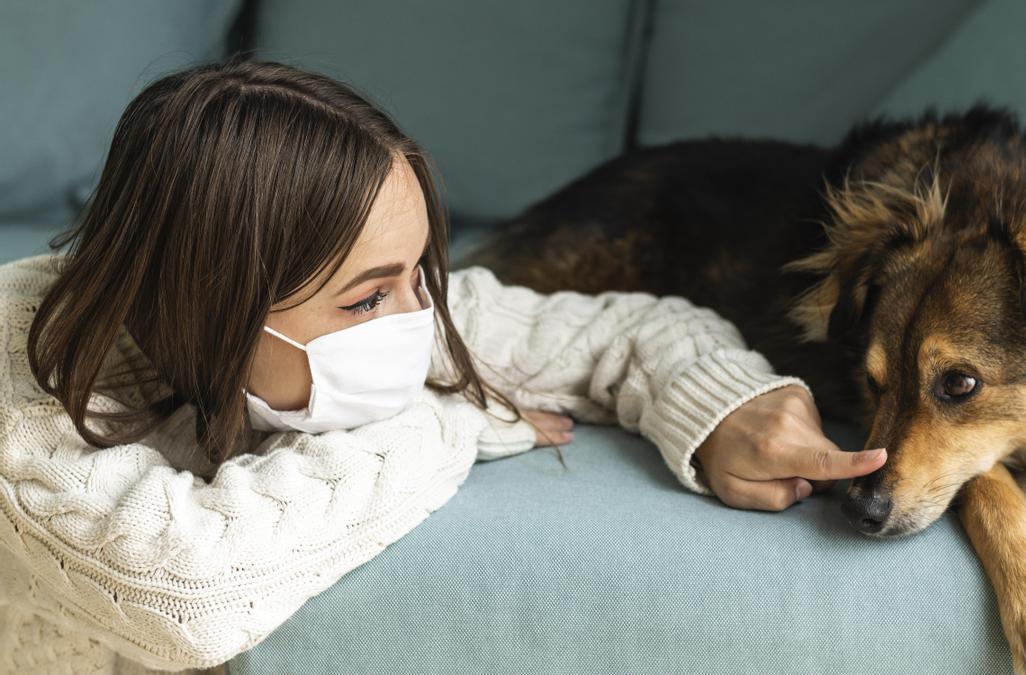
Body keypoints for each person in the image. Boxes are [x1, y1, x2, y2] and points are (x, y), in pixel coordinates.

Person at [0, 58, 886, 672]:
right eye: (365, 298)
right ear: (209, 300)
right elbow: (182, 585)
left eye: (416, 274)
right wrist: (457, 418)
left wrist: (732, 407)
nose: (418, 322)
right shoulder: (25, 384)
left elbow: (626, 330)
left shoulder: (394, 311)